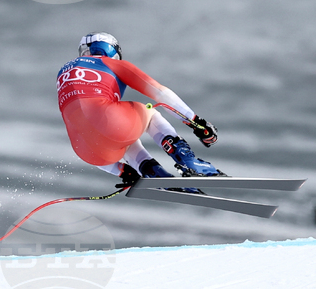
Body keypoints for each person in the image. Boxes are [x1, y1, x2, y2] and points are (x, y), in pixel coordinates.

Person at [57, 32, 225, 188]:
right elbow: (160, 93)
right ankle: (188, 161)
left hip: (86, 150)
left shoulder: (62, 73)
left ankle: (152, 172)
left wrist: (122, 171)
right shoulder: (110, 63)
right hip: (111, 123)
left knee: (123, 139)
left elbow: (85, 126)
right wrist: (196, 122)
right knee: (150, 113)